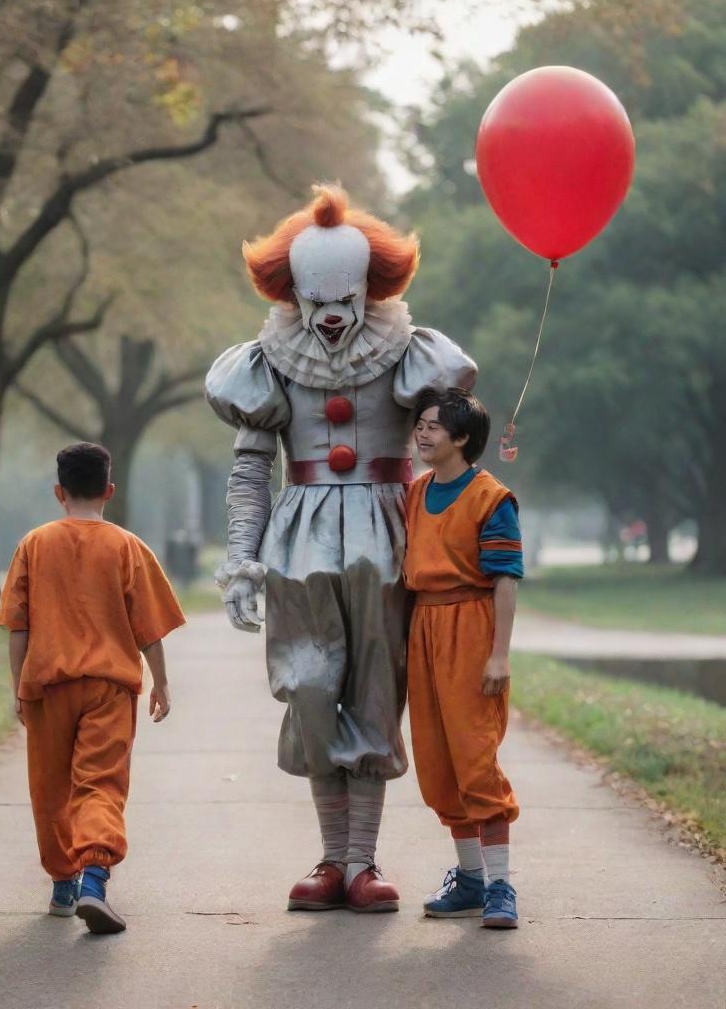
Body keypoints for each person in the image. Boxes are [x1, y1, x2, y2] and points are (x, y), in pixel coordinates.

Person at [205, 183, 477, 913]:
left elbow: (451, 441)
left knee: (376, 693)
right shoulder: (265, 363)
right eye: (313, 297)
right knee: (312, 687)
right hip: (300, 545)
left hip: (390, 539)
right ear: (291, 291)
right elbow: (249, 469)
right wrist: (241, 561)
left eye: (342, 297)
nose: (329, 316)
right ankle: (330, 859)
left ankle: (362, 862)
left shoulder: (410, 355)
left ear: (365, 288)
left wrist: (480, 450)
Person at [0, 442, 185, 934]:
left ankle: (63, 882)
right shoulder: (127, 546)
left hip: (48, 684)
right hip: (109, 686)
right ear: (109, 490)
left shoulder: (33, 544)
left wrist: (19, 686)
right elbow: (149, 628)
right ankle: (95, 878)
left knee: (51, 787)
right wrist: (160, 682)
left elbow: (19, 626)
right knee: (100, 784)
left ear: (58, 492)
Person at [404, 388, 523, 928]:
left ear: (463, 438)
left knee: (475, 758)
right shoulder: (415, 492)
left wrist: (498, 654)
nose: (422, 433)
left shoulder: (490, 498)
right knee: (436, 761)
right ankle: (470, 878)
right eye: (420, 425)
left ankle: (501, 885)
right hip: (423, 627)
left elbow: (505, 580)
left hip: (471, 626)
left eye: (433, 426)